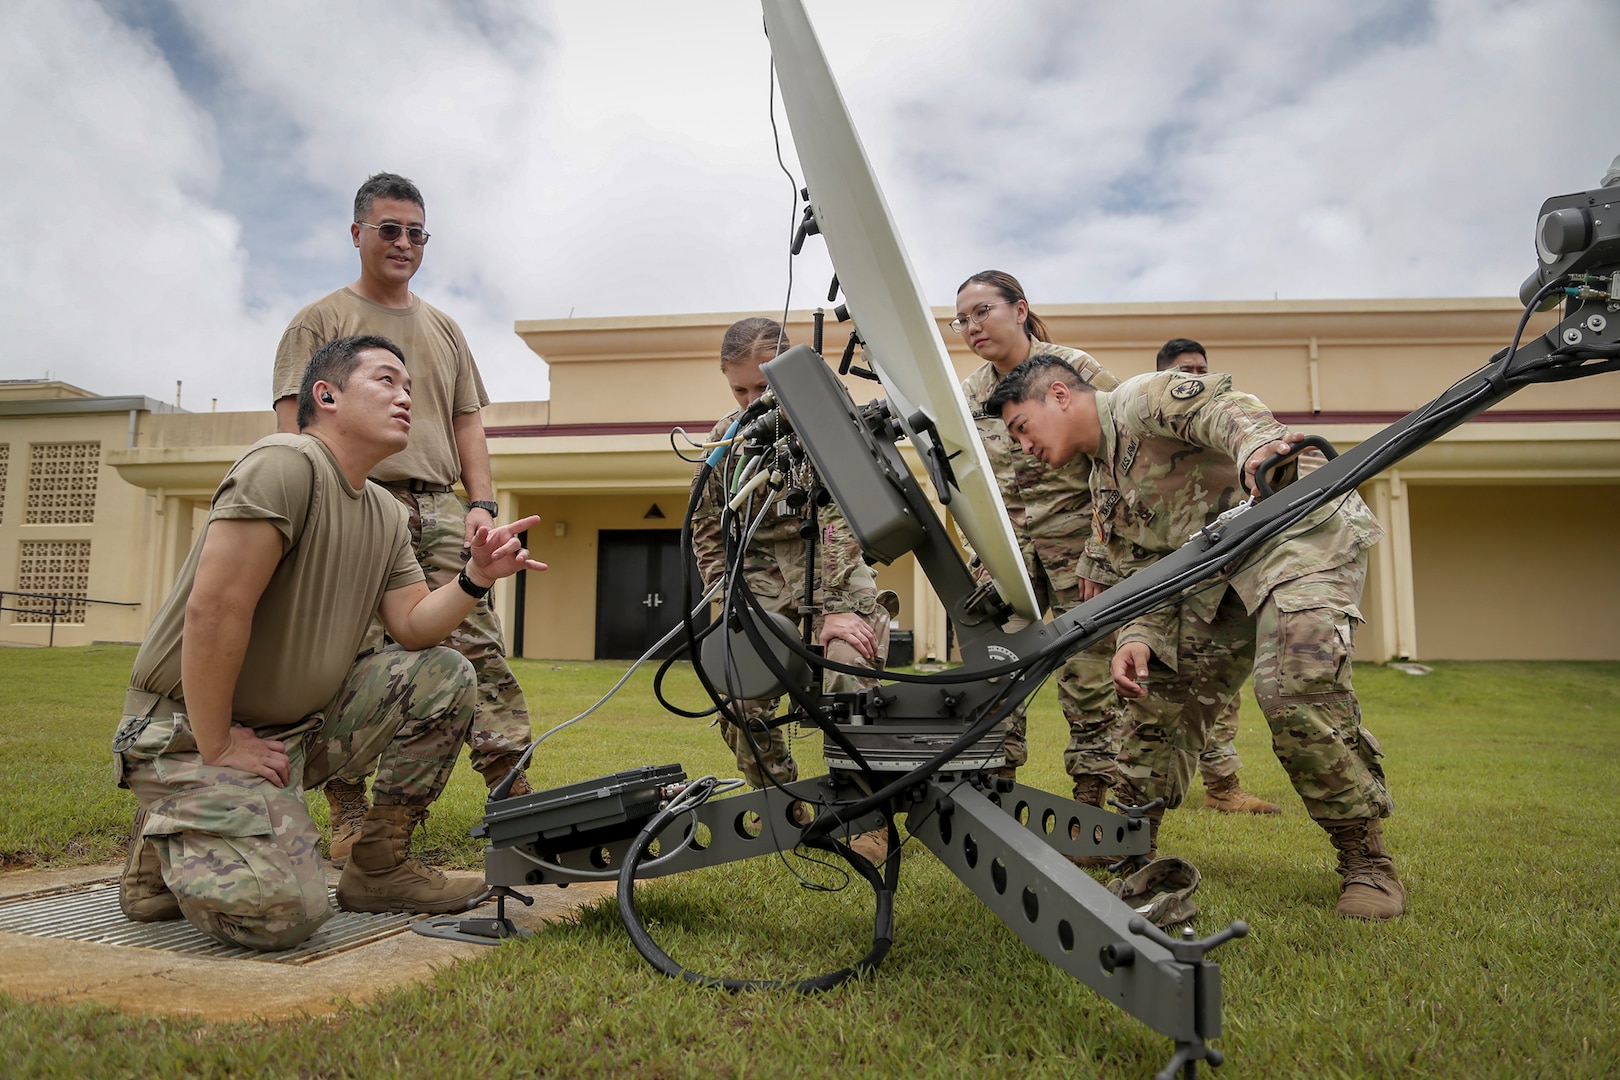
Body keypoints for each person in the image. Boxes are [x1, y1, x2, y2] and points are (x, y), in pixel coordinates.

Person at [114, 336, 547, 950]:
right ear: (326, 395)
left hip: (289, 733)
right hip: (188, 728)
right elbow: (216, 609)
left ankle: (378, 865)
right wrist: (216, 742)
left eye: (410, 389)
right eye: (387, 381)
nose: (406, 399)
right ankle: (173, 818)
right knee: (284, 915)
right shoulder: (285, 464)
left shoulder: (383, 512)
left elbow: (414, 626)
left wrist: (476, 577)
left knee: (444, 672)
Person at [987, 356, 1404, 919]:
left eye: (1021, 427)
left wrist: (1256, 446)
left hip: (1295, 532)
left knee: (1292, 685)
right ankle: (1131, 846)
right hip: (1216, 577)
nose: (1022, 445)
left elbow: (1220, 408)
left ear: (1059, 395)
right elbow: (1140, 571)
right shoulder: (1103, 484)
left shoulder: (1139, 400)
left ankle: (1366, 862)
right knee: (1156, 699)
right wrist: (1137, 636)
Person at [271, 173, 534, 868]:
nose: (404, 243)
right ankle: (351, 813)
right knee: (349, 653)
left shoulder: (444, 327)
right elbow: (294, 431)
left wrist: (480, 503)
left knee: (475, 642)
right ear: (357, 233)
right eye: (390, 229)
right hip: (356, 498)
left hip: (440, 504)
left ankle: (514, 795)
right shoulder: (318, 323)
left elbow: (467, 420)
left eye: (417, 232)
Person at [690, 317, 894, 861]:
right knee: (737, 694)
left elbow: (838, 520)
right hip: (758, 584)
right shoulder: (726, 440)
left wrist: (829, 610)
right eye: (740, 389)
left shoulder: (825, 424)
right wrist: (723, 597)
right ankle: (782, 804)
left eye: (763, 386)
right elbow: (706, 526)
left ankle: (865, 816)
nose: (753, 399)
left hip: (835, 575)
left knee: (850, 674)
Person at [952, 272, 1123, 817]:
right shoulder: (967, 394)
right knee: (995, 668)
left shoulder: (1072, 370)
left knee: (1089, 674)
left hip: (1080, 545)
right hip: (1006, 554)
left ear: (1020, 309)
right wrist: (978, 548)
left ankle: (1093, 806)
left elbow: (1117, 454)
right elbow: (960, 478)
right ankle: (996, 800)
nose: (971, 326)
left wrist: (1103, 544)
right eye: (962, 319)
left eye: (982, 311)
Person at [1153, 338, 1280, 816]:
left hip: (1227, 565)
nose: (1197, 378)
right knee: (1176, 685)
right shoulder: (1153, 430)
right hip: (1174, 574)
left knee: (1221, 690)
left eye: (1203, 369)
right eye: (1186, 371)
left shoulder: (1216, 421)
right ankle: (1142, 789)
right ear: (1166, 378)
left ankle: (1223, 786)